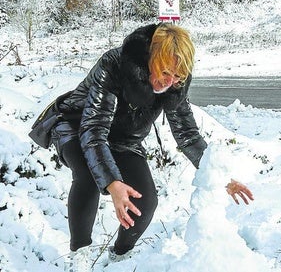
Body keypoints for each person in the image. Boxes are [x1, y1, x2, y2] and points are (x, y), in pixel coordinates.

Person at [48, 23, 253, 269]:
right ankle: (78, 255)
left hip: (123, 139)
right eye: (165, 72)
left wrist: (219, 176)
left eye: (177, 78)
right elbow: (93, 131)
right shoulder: (115, 65)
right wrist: (113, 184)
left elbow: (188, 135)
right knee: (89, 176)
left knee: (145, 202)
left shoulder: (174, 84)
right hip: (77, 125)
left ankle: (119, 257)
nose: (168, 82)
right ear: (151, 57)